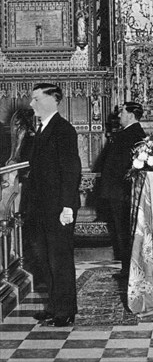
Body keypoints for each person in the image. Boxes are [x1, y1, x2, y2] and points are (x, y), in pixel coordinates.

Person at [28, 83, 81, 327]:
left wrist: (68, 207)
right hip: (41, 208)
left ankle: (66, 310)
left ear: (53, 100)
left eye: (36, 99)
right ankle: (53, 306)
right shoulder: (41, 129)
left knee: (59, 259)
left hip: (58, 208)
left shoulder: (63, 130)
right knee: (44, 259)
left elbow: (71, 171)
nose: (32, 104)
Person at [100, 102, 146, 276]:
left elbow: (118, 167)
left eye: (122, 113)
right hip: (121, 192)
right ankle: (128, 268)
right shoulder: (132, 134)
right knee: (123, 232)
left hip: (121, 193)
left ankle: (128, 270)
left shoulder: (129, 135)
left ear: (131, 115)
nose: (119, 116)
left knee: (124, 232)